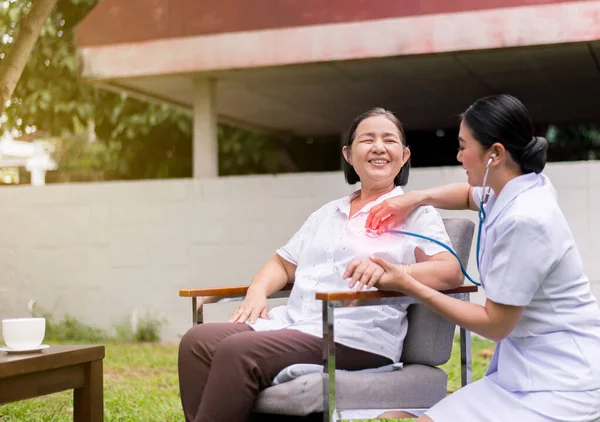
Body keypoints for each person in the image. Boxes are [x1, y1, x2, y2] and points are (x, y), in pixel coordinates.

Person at [177, 107, 463, 422]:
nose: (379, 147)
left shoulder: (417, 214)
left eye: (389, 140)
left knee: (238, 350)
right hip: (295, 325)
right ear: (349, 154)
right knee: (197, 341)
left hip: (354, 336)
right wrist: (257, 292)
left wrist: (395, 273)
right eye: (367, 140)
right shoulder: (328, 213)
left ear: (404, 155)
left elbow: (449, 271)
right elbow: (282, 264)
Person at [352, 94, 600, 421]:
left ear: (494, 154)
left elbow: (495, 324)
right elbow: (469, 195)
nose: (459, 156)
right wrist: (414, 198)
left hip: (561, 383)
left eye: (463, 145)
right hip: (521, 370)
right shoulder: (515, 186)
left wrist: (408, 283)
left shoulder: (526, 220)